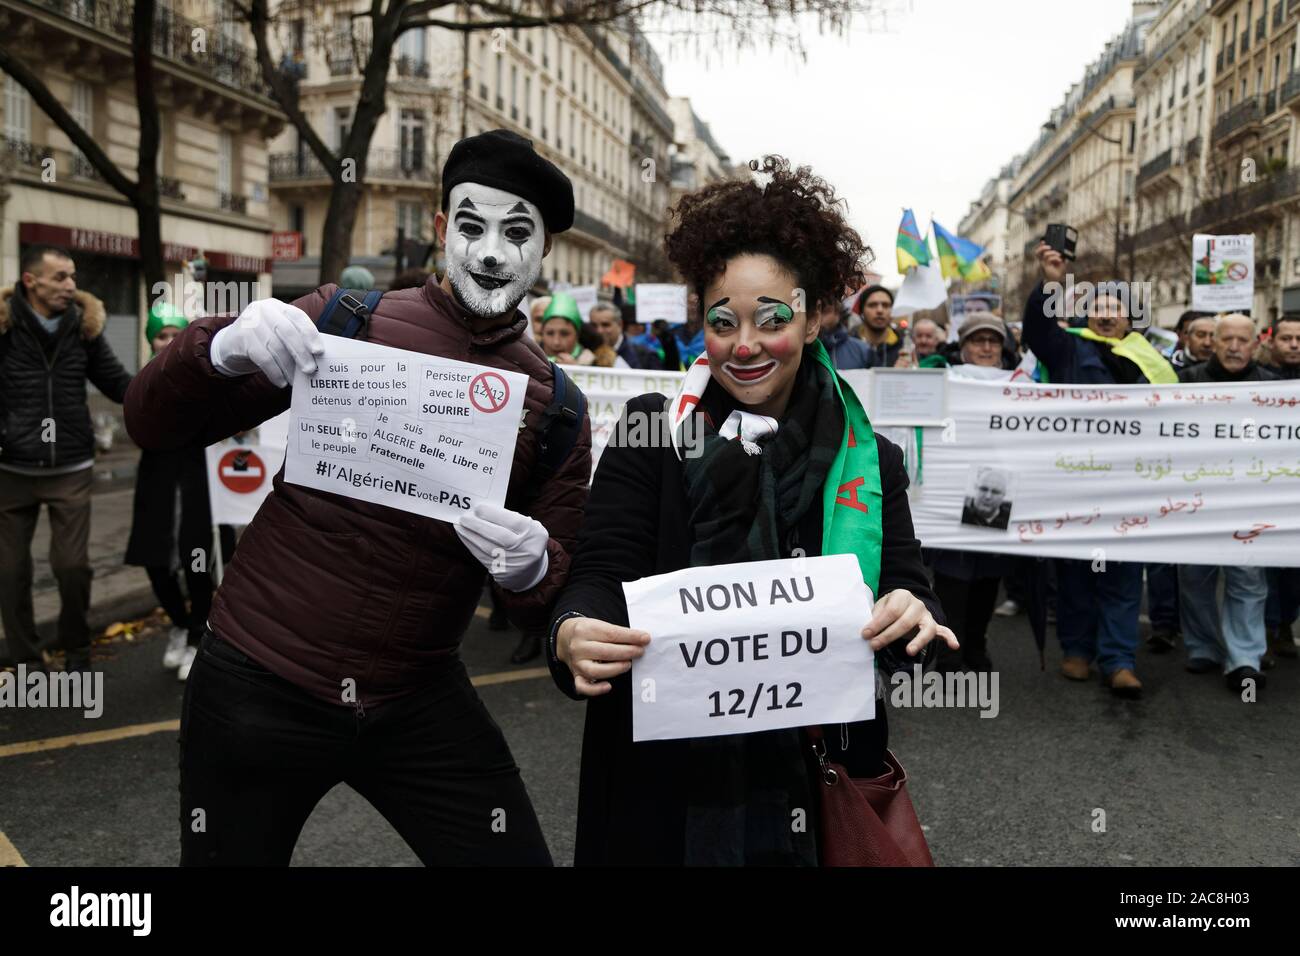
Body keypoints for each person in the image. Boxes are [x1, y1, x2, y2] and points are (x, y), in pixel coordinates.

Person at [126, 128, 590, 866]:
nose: (492, 252)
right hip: (259, 678)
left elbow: (562, 587)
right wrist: (218, 346)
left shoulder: (558, 405)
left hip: (417, 698)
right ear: (440, 229)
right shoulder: (345, 321)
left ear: (545, 251)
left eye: (518, 232)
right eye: (471, 226)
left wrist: (536, 569)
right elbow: (152, 422)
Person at [545, 156, 955, 866]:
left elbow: (908, 591)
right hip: (663, 778)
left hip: (815, 774)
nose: (744, 345)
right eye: (721, 321)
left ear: (817, 312)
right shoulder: (653, 430)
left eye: (772, 319)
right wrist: (571, 630)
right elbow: (604, 565)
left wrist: (911, 614)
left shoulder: (873, 458)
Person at [1025, 241, 1178, 698]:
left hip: (1132, 489)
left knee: (1124, 576)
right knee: (1075, 573)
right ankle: (1076, 650)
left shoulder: (1153, 362)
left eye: (1116, 308)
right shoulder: (1067, 349)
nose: (1107, 315)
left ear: (1132, 319)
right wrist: (1051, 281)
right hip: (1077, 484)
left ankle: (1118, 660)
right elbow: (1036, 327)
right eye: (1098, 307)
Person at [0, 245, 133, 672]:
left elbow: (119, 384)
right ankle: (26, 659)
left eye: (73, 276)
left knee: (72, 567)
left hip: (71, 467)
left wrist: (169, 394)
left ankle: (76, 646)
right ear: (30, 282)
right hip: (11, 469)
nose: (71, 285)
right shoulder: (4, 326)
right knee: (9, 572)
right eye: (60, 277)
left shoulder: (83, 326)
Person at [1176, 314, 1276, 693]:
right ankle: (1203, 647)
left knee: (1248, 581)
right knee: (1194, 578)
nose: (1235, 347)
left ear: (1255, 345)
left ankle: (1245, 660)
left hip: (1250, 500)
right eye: (1227, 339)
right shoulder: (1185, 382)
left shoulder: (1275, 387)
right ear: (1211, 343)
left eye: (1243, 340)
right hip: (1195, 498)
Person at [124, 303, 216, 681]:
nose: (168, 341)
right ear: (151, 340)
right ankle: (179, 623)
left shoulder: (206, 378)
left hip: (198, 482)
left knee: (197, 560)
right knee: (155, 562)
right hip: (156, 481)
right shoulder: (141, 382)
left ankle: (198, 635)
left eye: (176, 333)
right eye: (161, 334)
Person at [926, 318, 1012, 672]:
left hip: (998, 486)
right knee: (953, 576)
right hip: (952, 485)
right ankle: (948, 652)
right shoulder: (943, 380)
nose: (987, 348)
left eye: (994, 341)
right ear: (963, 347)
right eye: (979, 341)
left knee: (988, 577)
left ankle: (976, 645)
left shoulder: (1019, 384)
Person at [588, 302, 659, 369]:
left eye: (605, 325)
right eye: (593, 325)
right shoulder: (585, 353)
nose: (599, 331)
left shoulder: (645, 356)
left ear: (620, 324)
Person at [540, 292, 595, 365]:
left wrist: (579, 369)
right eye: (550, 333)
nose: (556, 342)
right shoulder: (525, 361)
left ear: (577, 335)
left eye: (564, 334)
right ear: (542, 333)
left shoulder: (597, 366)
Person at [855, 284, 902, 368]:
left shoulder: (903, 350)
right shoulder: (845, 347)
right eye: (872, 305)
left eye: (886, 305)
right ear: (862, 311)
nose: (880, 310)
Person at [816, 299, 871, 369]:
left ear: (838, 313)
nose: (818, 317)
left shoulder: (863, 350)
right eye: (813, 311)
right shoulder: (802, 348)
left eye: (824, 311)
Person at [1264, 313, 1300, 379]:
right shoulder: (1252, 378)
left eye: (1299, 339)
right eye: (1285, 339)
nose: (1294, 345)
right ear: (1270, 342)